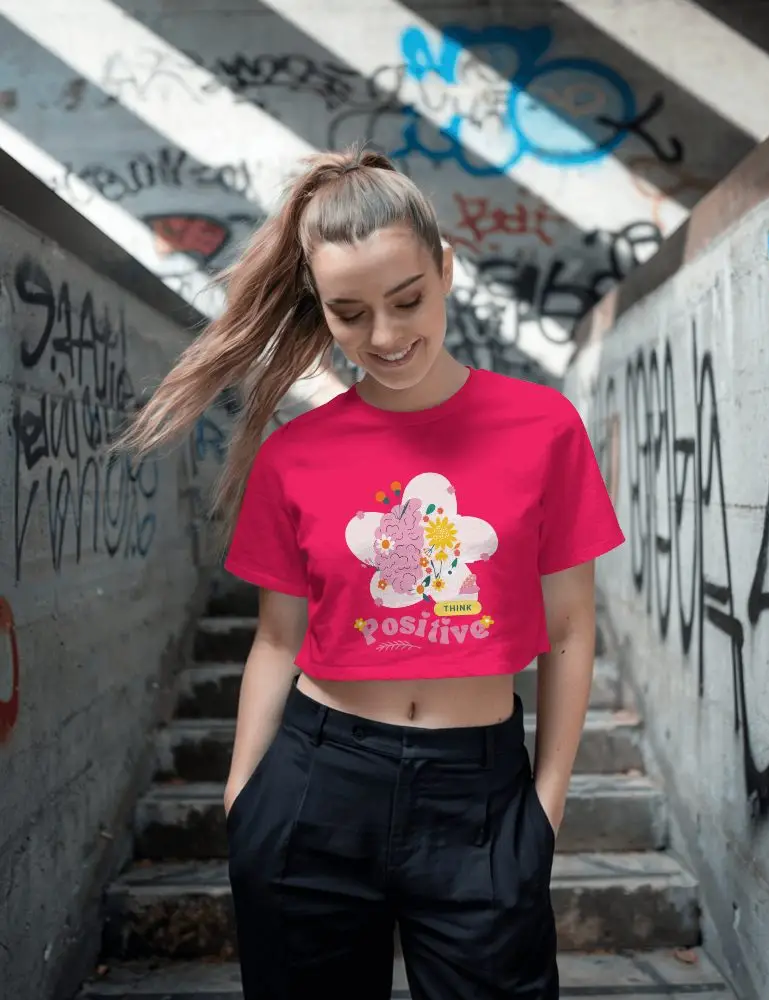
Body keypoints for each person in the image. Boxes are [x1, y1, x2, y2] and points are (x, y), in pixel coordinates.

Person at [122, 146, 625, 999]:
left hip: (481, 795)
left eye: (407, 300)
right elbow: (278, 640)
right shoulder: (296, 455)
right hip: (316, 784)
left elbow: (572, 632)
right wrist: (244, 798)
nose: (384, 338)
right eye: (349, 314)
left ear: (447, 270)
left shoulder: (544, 428)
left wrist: (545, 807)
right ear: (320, 309)